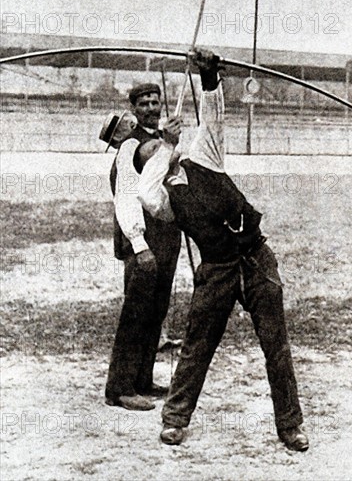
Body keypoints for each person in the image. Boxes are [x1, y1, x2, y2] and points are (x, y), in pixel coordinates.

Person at [136, 50, 309, 451]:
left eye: (156, 154)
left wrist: (209, 72)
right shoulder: (162, 198)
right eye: (150, 157)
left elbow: (213, 113)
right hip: (217, 270)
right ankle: (175, 420)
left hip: (256, 259)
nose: (153, 158)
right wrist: (164, 145)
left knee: (276, 345)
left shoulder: (205, 155)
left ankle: (291, 427)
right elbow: (145, 191)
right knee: (198, 346)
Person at [99, 83, 181, 411]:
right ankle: (119, 388)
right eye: (144, 103)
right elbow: (127, 198)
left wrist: (170, 140)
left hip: (166, 239)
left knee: (156, 312)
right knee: (136, 314)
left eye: (155, 101)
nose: (151, 106)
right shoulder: (132, 144)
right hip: (143, 242)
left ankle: (142, 380)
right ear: (133, 108)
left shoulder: (156, 139)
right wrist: (138, 244)